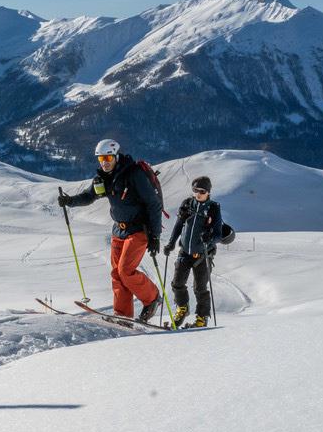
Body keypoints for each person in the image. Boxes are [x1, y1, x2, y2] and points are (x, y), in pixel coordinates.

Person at [56, 138, 163, 323]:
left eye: (107, 158)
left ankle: (152, 298)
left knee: (125, 271)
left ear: (115, 156)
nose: (104, 162)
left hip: (139, 229)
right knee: (117, 274)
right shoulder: (102, 178)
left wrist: (155, 235)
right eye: (100, 159)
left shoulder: (134, 174)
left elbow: (153, 204)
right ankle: (122, 316)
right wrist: (70, 201)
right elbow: (89, 196)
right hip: (118, 230)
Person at [164, 176, 232, 327]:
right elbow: (178, 225)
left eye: (202, 191)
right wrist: (171, 243)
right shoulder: (187, 204)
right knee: (177, 284)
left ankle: (202, 318)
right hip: (185, 252)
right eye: (195, 190)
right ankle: (182, 309)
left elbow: (218, 234)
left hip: (203, 255)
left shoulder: (213, 208)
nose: (198, 194)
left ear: (208, 192)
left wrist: (209, 239)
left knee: (200, 288)